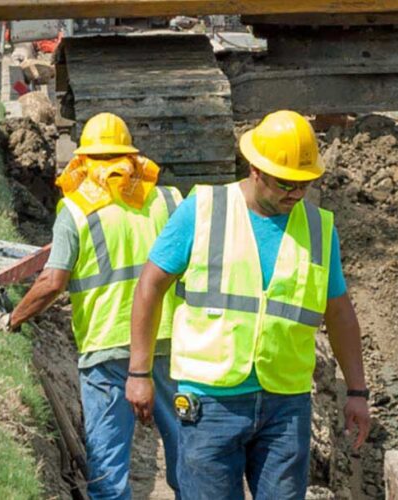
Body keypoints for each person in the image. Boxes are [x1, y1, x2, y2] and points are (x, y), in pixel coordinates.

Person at [125, 110, 371, 499]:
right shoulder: (203, 209)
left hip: (285, 405)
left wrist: (357, 392)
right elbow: (150, 286)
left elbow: (339, 313)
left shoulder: (320, 229)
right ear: (256, 169)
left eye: (304, 184)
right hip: (210, 401)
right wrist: (139, 372)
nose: (295, 193)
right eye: (285, 183)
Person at [0, 113, 184, 499]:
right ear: (130, 155)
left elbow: (51, 282)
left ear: (84, 158)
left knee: (109, 473)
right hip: (169, 342)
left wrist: (13, 319)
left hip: (107, 348)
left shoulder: (75, 211)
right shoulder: (167, 199)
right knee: (189, 454)